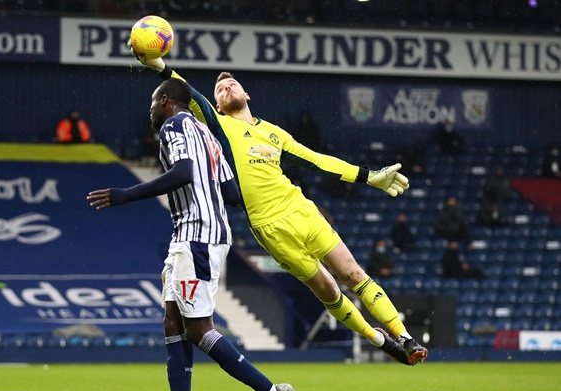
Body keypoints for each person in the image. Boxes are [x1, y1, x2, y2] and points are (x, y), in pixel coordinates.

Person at [129, 50, 428, 367]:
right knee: (327, 289)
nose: (226, 88)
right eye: (220, 89)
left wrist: (368, 176)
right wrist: (161, 67)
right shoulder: (219, 126)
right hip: (268, 227)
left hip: (300, 210)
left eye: (232, 84)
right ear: (216, 105)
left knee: (353, 272)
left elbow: (317, 160)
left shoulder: (274, 132)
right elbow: (189, 95)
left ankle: (406, 338)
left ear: (247, 94)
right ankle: (378, 338)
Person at [86, 78, 295, 391]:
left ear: (166, 101)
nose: (150, 110)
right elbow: (231, 192)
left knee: (199, 329)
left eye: (153, 103)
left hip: (197, 235)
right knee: (172, 322)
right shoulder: (208, 135)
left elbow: (183, 171)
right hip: (197, 233)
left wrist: (125, 195)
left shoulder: (174, 124)